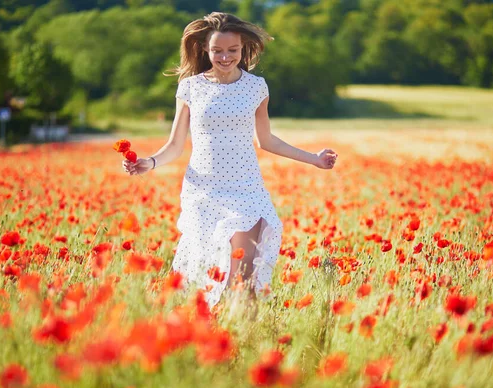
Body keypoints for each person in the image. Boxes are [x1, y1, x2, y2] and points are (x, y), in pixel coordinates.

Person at [122, 12, 337, 308]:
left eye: (232, 50)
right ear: (205, 50)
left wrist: (313, 158)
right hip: (204, 192)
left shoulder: (256, 88)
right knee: (210, 274)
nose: (225, 57)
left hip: (246, 190)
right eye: (217, 51)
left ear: (243, 49)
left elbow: (266, 140)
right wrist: (150, 162)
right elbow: (175, 145)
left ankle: (242, 340)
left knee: (242, 276)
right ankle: (210, 337)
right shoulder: (190, 87)